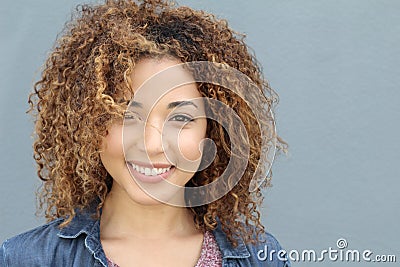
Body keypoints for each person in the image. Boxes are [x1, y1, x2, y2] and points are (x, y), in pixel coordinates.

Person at [0, 0, 290, 266]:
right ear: (88, 122)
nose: (152, 144)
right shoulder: (24, 259)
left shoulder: (261, 258)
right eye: (127, 116)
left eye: (180, 117)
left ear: (212, 133)